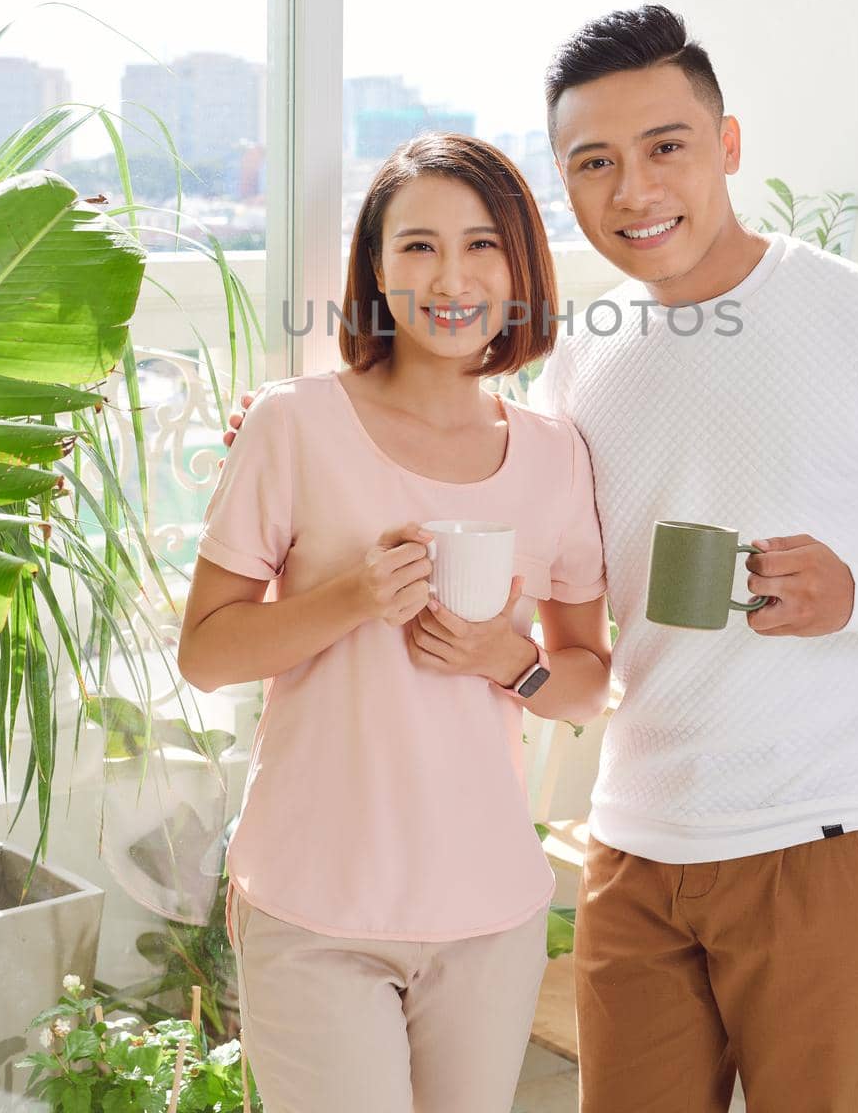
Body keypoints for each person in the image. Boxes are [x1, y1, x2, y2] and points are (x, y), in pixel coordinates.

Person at [528, 4, 858, 1113]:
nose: (634, 190)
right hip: (635, 837)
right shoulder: (584, 358)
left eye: (666, 146)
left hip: (822, 831)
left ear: (729, 146)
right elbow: (504, 506)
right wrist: (294, 436)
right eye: (594, 163)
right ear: (564, 186)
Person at [180, 133, 611, 1113]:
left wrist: (515, 662)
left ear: (519, 266)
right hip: (314, 902)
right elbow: (206, 652)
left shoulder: (556, 457)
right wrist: (351, 599)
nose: (450, 276)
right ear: (375, 267)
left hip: (489, 908)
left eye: (481, 245)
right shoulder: (293, 425)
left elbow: (588, 674)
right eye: (416, 246)